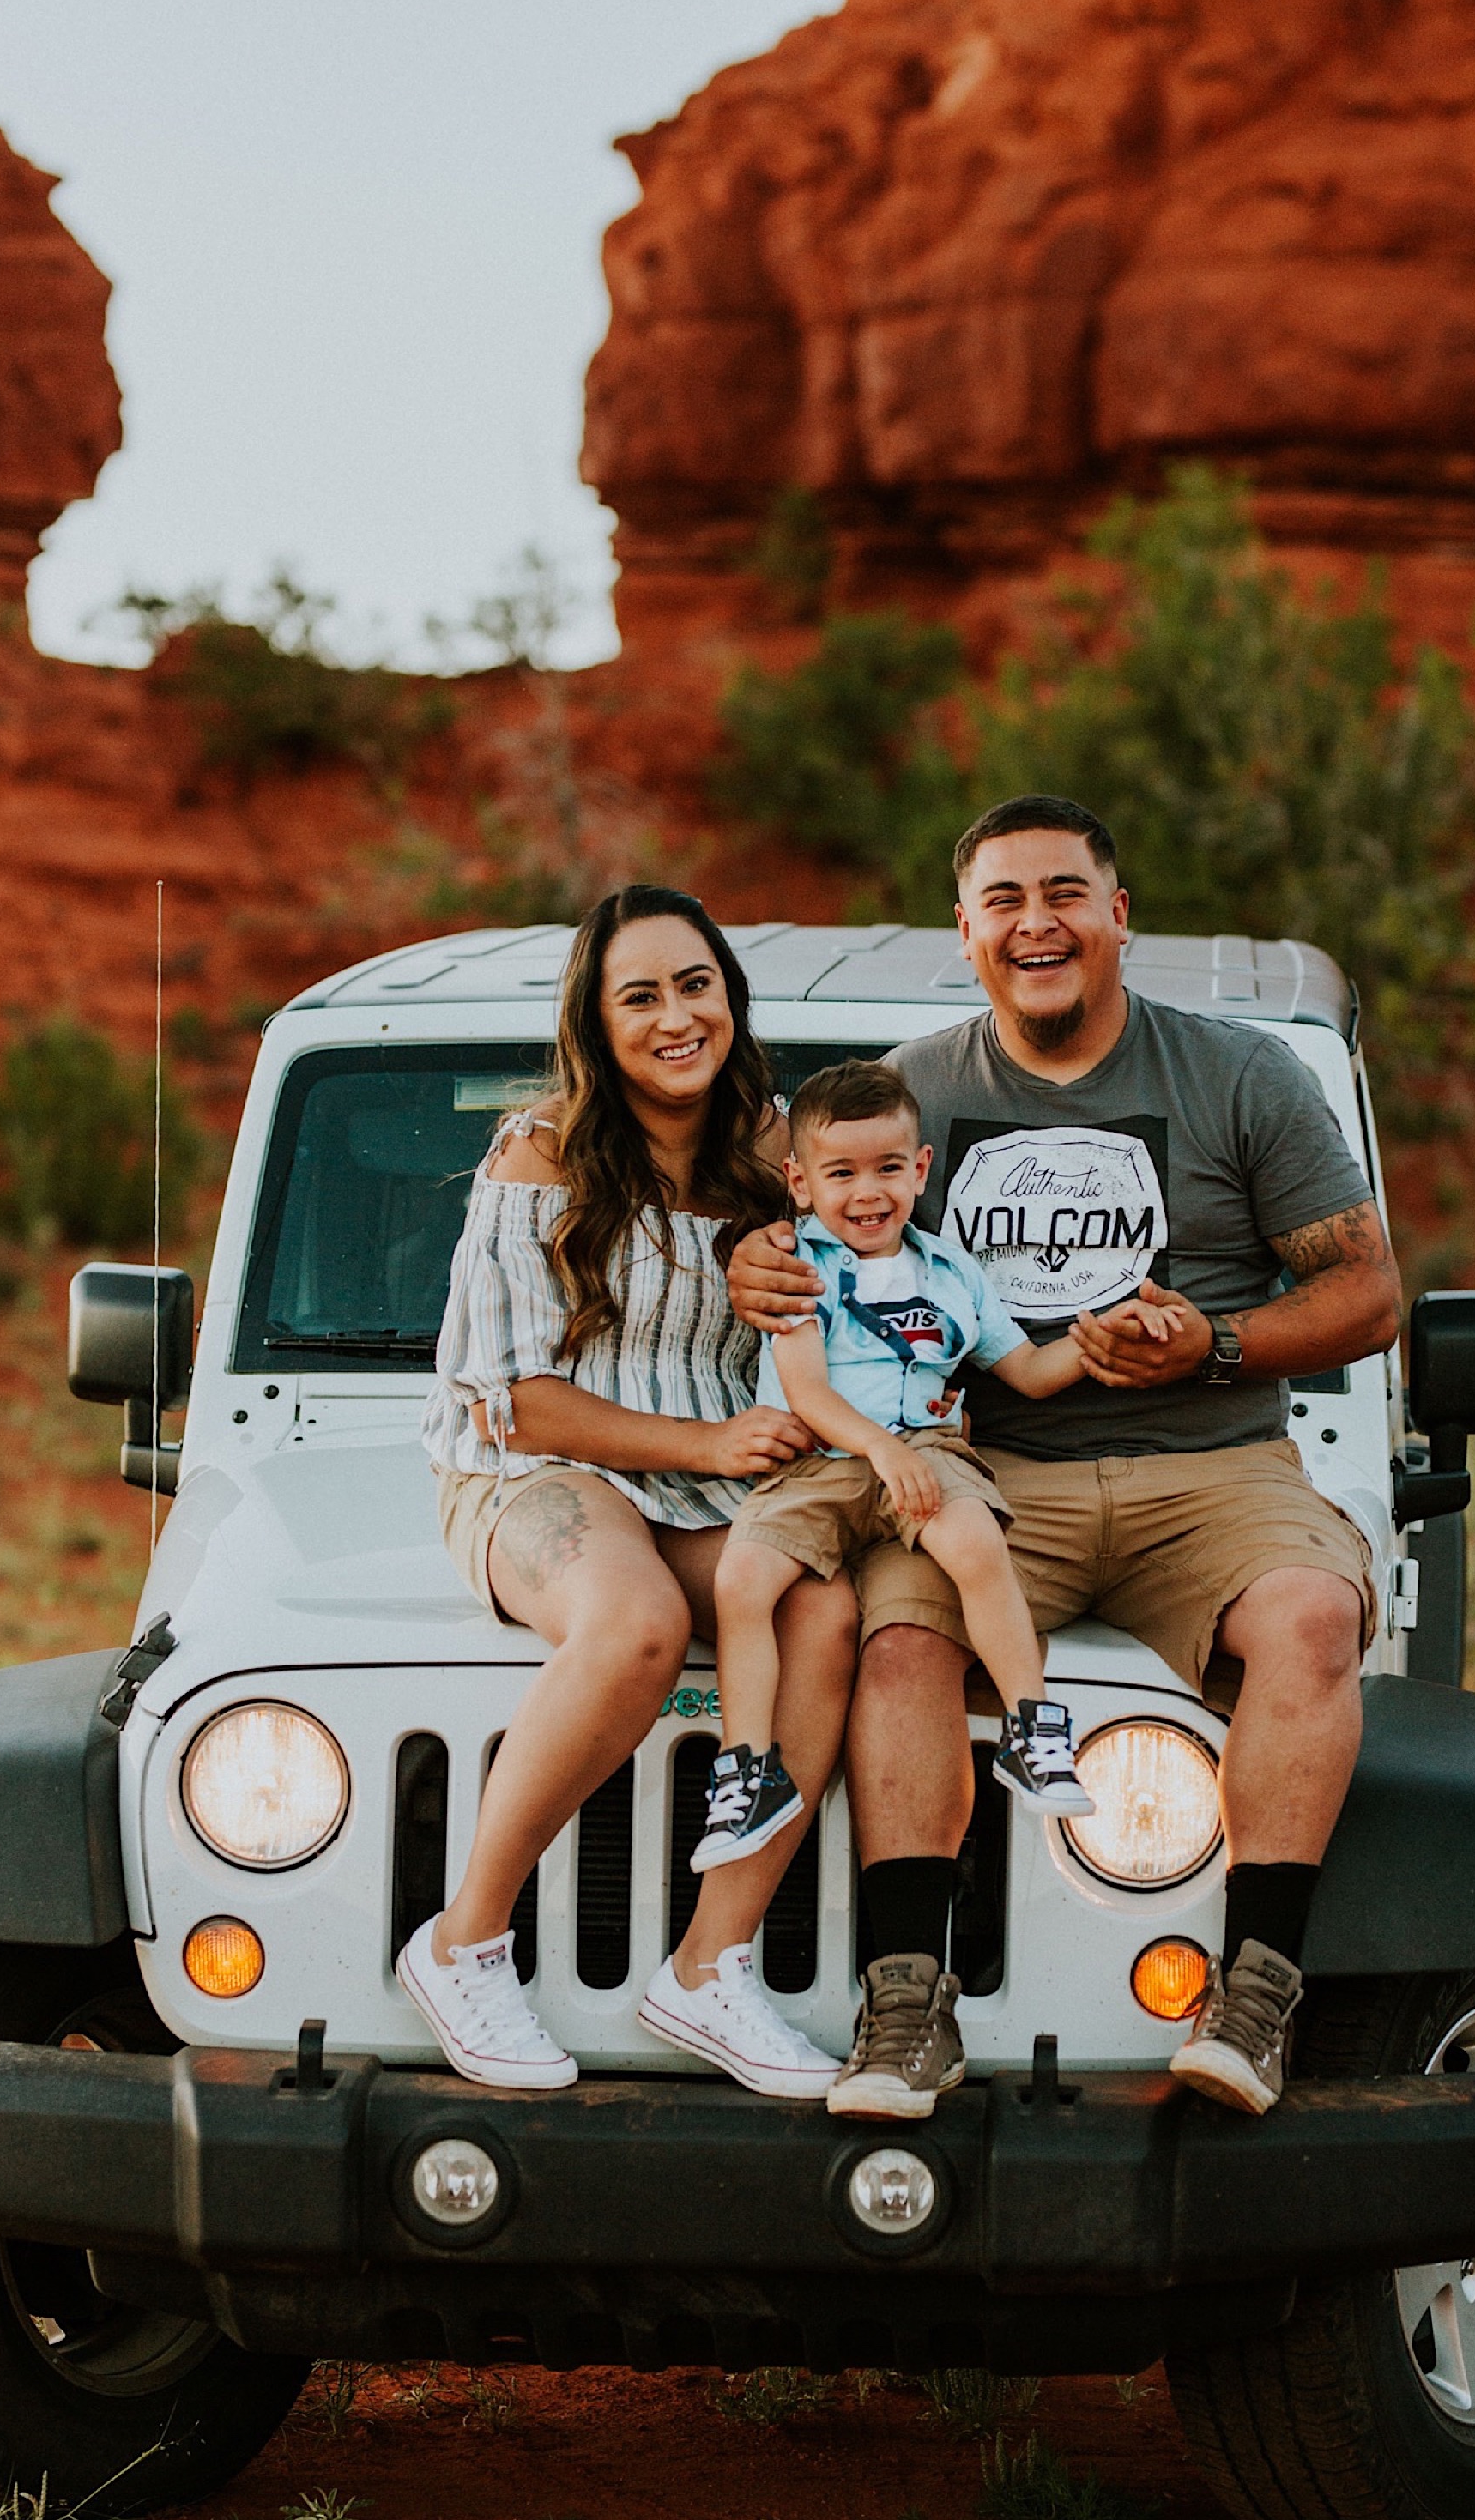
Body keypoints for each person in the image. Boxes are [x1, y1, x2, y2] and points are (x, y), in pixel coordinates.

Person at [729, 796, 1404, 2120]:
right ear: (967, 931)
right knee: (901, 1643)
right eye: (1004, 901)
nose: (1035, 924)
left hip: (1213, 1461)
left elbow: (1369, 1295)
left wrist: (1212, 1341)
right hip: (986, 1466)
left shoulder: (1240, 1075)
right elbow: (767, 1202)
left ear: (1117, 916)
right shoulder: (908, 1086)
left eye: (1064, 895)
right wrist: (753, 1255)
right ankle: (907, 2006)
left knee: (1317, 1614)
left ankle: (1255, 1997)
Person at [408, 883, 857, 2100]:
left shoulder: (770, 1154)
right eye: (640, 995)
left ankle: (710, 1966)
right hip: (536, 1467)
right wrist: (711, 1447)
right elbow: (520, 1396)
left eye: (696, 985)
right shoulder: (542, 1148)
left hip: (702, 1481)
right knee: (638, 1624)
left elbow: (880, 1237)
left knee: (823, 1607)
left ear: (731, 997)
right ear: (596, 1023)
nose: (675, 1016)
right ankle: (463, 1942)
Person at [699, 1060, 1164, 1886]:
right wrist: (882, 1450)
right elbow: (804, 1392)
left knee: (976, 1541)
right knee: (741, 1580)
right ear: (800, 1183)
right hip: (821, 1462)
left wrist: (1099, 1337)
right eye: (841, 1173)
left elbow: (1022, 1367)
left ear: (919, 1170)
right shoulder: (792, 1266)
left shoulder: (952, 1272)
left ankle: (1033, 1731)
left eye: (886, 1168)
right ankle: (747, 1771)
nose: (867, 1192)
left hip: (926, 1451)